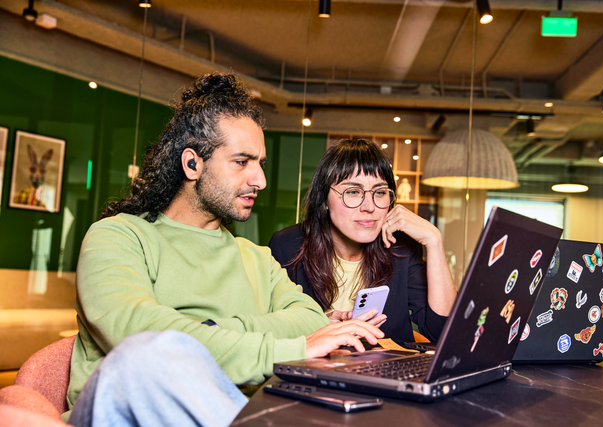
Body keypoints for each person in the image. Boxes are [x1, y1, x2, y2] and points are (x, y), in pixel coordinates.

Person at [66, 74, 384, 426]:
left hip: (234, 413)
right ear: (192, 164)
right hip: (127, 412)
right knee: (151, 354)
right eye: (241, 162)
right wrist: (289, 346)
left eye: (260, 164)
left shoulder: (257, 257)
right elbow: (145, 336)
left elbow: (310, 318)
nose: (259, 180)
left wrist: (208, 328)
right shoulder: (117, 237)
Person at [269, 139, 458, 345]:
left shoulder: (400, 248)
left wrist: (434, 240)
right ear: (324, 200)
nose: (369, 206)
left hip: (386, 373)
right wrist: (317, 326)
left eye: (379, 192)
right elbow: (268, 331)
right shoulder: (287, 245)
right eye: (352, 192)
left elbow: (443, 333)